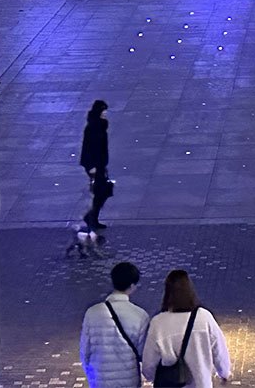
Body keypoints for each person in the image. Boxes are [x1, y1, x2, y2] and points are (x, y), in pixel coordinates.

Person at [142, 270, 232, 388]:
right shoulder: (204, 317)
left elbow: (149, 363)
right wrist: (224, 373)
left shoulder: (158, 323)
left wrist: (152, 377)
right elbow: (219, 350)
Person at [80, 261, 150, 388]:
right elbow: (143, 354)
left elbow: (85, 351)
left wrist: (91, 376)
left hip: (100, 380)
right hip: (128, 381)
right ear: (132, 285)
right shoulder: (140, 315)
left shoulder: (92, 313)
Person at [80, 100, 111, 232]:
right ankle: (91, 217)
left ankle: (92, 217)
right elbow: (88, 148)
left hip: (100, 164)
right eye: (103, 110)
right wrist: (91, 166)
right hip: (94, 165)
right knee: (101, 191)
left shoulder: (101, 125)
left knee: (101, 191)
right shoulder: (92, 127)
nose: (105, 113)